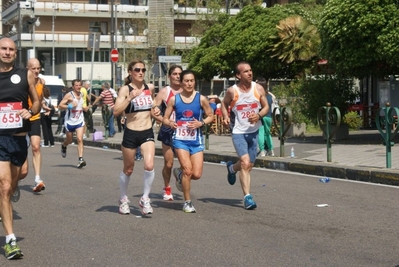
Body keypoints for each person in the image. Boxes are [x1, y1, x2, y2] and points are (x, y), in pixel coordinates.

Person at [0, 38, 40, 259]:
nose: (7, 52)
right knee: (4, 187)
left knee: (20, 174)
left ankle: (8, 197)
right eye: (3, 49)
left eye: (11, 50)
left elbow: (36, 102)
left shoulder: (25, 74)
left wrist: (28, 111)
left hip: (18, 137)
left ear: (16, 53)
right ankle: (11, 240)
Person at [163, 70, 214, 213]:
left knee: (196, 174)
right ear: (181, 82)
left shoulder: (201, 98)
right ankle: (187, 202)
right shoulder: (174, 99)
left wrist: (201, 123)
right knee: (188, 170)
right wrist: (170, 123)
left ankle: (178, 173)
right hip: (180, 140)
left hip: (196, 140)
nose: (189, 83)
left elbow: (210, 115)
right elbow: (165, 118)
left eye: (192, 80)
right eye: (186, 81)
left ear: (195, 82)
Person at [221, 61, 269, 210]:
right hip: (238, 132)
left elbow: (266, 106)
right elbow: (224, 104)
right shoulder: (232, 91)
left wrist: (259, 115)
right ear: (238, 75)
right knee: (245, 162)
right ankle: (248, 197)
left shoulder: (258, 88)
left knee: (249, 166)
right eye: (246, 71)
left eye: (250, 70)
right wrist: (225, 116)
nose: (250, 73)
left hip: (253, 131)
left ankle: (231, 169)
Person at [113, 60, 156, 215]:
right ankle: (123, 199)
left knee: (149, 165)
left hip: (147, 132)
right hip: (131, 132)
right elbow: (116, 111)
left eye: (143, 69)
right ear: (130, 72)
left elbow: (153, 107)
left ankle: (145, 198)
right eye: (137, 69)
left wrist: (156, 112)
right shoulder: (125, 89)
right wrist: (129, 98)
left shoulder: (150, 88)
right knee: (128, 169)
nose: (141, 72)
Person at [151, 65, 183, 201]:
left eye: (179, 74)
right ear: (169, 76)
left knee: (186, 163)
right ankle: (167, 187)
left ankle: (180, 174)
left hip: (184, 130)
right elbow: (153, 110)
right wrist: (162, 119)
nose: (177, 76)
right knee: (168, 163)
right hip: (168, 130)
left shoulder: (188, 90)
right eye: (174, 74)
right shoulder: (165, 92)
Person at [18, 58, 46, 193]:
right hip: (22, 118)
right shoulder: (22, 81)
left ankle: (37, 178)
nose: (36, 71)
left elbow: (38, 100)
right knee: (21, 150)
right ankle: (14, 178)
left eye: (38, 68)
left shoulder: (42, 82)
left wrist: (42, 107)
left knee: (36, 147)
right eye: (33, 68)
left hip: (34, 117)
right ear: (27, 68)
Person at [58, 79, 88, 168]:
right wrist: (70, 106)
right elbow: (60, 106)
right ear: (73, 86)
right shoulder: (69, 95)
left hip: (79, 120)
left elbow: (82, 105)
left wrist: (84, 107)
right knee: (69, 140)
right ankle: (64, 146)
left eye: (80, 85)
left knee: (79, 139)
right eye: (76, 85)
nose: (78, 87)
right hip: (70, 121)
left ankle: (80, 159)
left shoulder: (82, 94)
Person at [256, 77, 275, 157]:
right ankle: (271, 150)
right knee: (267, 134)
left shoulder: (259, 95)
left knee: (260, 133)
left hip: (261, 115)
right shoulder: (269, 96)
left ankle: (262, 150)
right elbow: (274, 98)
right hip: (269, 116)